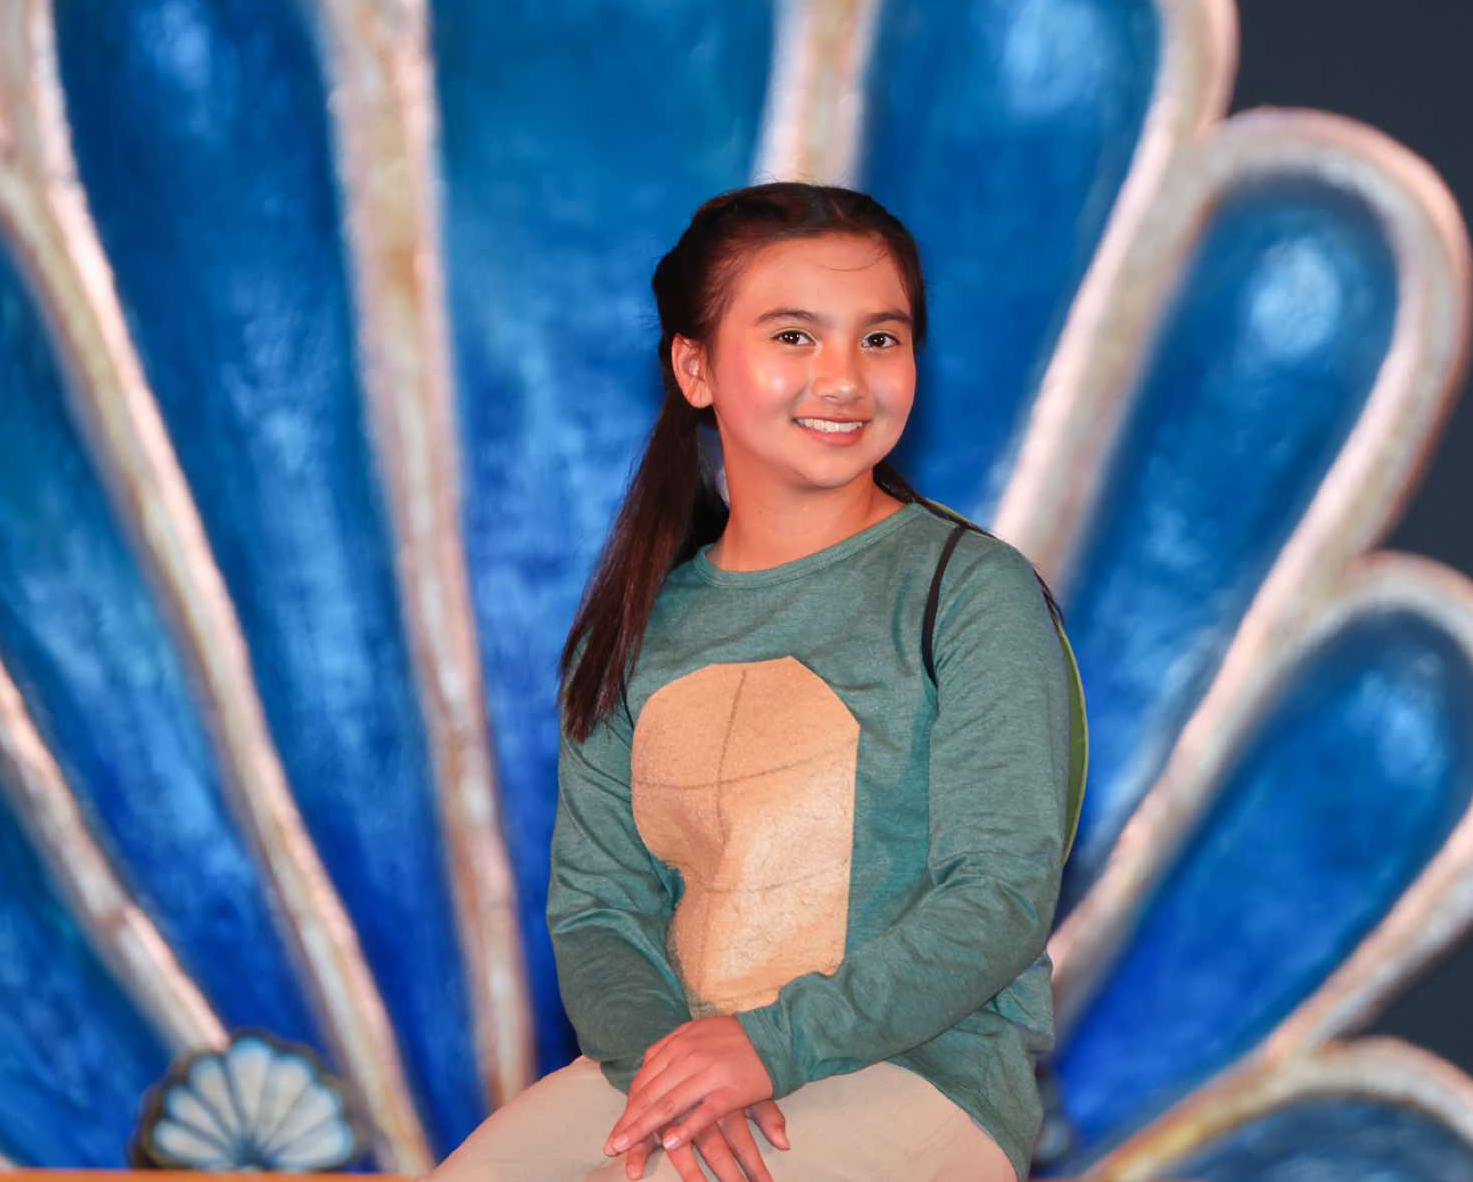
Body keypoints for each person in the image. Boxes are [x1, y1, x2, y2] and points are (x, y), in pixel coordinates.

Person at [428, 183, 1074, 1182]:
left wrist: (766, 1047)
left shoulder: (968, 591)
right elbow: (598, 912)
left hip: (913, 1072)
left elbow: (999, 892)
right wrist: (675, 1065)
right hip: (665, 1070)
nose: (844, 379)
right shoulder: (633, 627)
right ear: (694, 368)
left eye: (880, 339)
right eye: (793, 337)